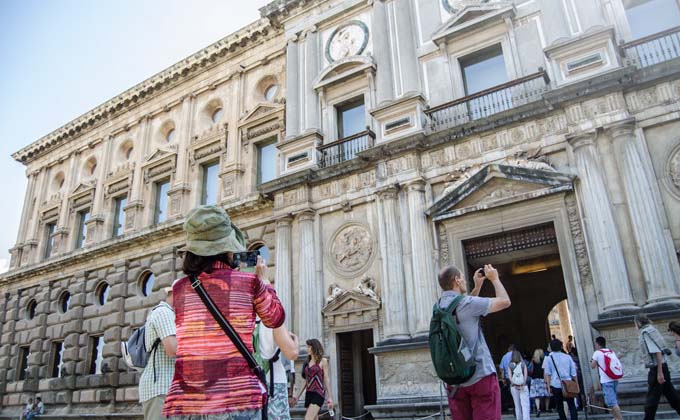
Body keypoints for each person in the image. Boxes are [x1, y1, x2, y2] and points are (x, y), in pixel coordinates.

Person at [162, 205, 285, 420]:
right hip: (236, 398)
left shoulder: (179, 288)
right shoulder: (249, 283)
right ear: (228, 247)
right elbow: (275, 318)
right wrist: (264, 281)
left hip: (188, 402)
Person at [438, 264, 511, 420]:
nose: (464, 280)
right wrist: (495, 279)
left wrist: (477, 286)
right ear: (457, 280)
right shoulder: (468, 304)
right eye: (463, 278)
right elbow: (505, 301)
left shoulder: (438, 308)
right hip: (479, 376)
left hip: (455, 381)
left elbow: (465, 310)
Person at [256, 267, 300, 420]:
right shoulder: (271, 317)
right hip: (272, 382)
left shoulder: (242, 315)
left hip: (248, 384)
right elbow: (292, 352)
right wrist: (295, 340)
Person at [139, 286, 176, 420]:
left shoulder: (169, 314)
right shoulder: (164, 312)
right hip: (161, 389)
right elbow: (172, 349)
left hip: (165, 389)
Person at [635, 314, 680, 420]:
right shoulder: (652, 330)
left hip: (657, 368)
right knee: (672, 396)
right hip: (663, 366)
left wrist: (659, 373)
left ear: (638, 323)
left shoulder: (645, 333)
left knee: (651, 400)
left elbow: (657, 352)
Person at [291, 339, 334, 420]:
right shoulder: (307, 362)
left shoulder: (323, 361)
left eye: (309, 347)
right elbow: (305, 381)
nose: (307, 349)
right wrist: (297, 397)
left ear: (314, 347)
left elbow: (326, 379)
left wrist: (330, 397)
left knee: (308, 418)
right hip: (309, 393)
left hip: (318, 393)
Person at [544, 339, 578, 420]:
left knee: (559, 406)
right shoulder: (568, 357)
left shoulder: (549, 358)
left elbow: (548, 374)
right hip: (568, 383)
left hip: (556, 384)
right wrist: (576, 383)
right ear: (561, 347)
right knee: (571, 405)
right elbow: (573, 373)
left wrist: (548, 386)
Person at [590, 336, 623, 420]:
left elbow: (592, 366)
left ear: (597, 344)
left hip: (606, 381)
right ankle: (616, 418)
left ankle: (619, 418)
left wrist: (592, 361)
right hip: (614, 379)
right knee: (613, 400)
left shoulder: (597, 353)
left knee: (611, 403)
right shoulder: (611, 351)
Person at [507, 350, 530, 420]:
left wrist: (514, 385)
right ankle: (526, 418)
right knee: (525, 405)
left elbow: (510, 377)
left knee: (517, 405)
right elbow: (525, 376)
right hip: (523, 386)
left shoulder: (510, 365)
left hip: (514, 387)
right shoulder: (523, 364)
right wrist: (522, 384)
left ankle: (519, 418)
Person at [530, 348, 549, 417]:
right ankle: (547, 408)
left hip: (534, 378)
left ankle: (538, 408)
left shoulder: (533, 361)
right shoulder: (545, 360)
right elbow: (545, 370)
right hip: (542, 378)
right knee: (547, 394)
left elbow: (531, 369)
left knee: (536, 395)